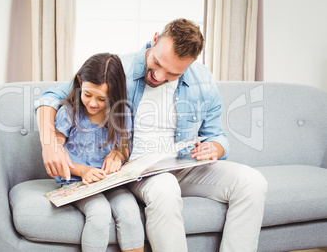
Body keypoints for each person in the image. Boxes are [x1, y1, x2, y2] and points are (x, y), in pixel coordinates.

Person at [35, 19, 268, 252]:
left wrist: (216, 147)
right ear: (155, 38)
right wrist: (50, 145)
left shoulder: (203, 79)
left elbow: (217, 135)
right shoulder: (118, 69)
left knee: (252, 182)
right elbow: (51, 97)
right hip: (140, 172)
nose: (158, 75)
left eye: (172, 73)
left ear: (190, 64)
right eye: (157, 63)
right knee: (165, 186)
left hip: (184, 165)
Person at [38, 53, 144, 252]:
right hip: (77, 181)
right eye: (87, 94)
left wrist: (117, 155)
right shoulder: (69, 113)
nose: (93, 103)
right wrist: (84, 171)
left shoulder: (121, 113)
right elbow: (57, 153)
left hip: (109, 182)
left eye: (102, 98)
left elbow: (124, 149)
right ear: (80, 82)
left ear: (115, 93)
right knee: (99, 213)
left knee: (130, 212)